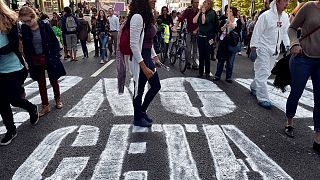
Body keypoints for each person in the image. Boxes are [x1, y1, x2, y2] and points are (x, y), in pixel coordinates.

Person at [0, 0, 39, 146]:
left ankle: (32, 108)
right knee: (1, 102)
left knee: (14, 99)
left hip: (13, 68)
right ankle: (11, 130)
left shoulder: (9, 20)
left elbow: (13, 44)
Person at [285, 1, 320, 151]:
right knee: (296, 92)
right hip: (302, 57)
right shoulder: (309, 7)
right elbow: (292, 28)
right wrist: (294, 43)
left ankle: (318, 136)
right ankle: (289, 121)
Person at [19, 6, 66, 117]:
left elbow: (54, 41)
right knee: (41, 83)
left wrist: (55, 55)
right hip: (35, 59)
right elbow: (25, 46)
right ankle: (45, 106)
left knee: (54, 79)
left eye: (28, 20)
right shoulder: (25, 29)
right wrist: (27, 60)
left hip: (48, 57)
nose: (27, 23)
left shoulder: (44, 26)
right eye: (23, 21)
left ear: (33, 17)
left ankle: (58, 99)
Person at [249, 0, 290, 109]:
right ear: (277, 2)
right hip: (263, 48)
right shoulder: (266, 16)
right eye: (285, 1)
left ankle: (254, 87)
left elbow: (285, 32)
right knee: (263, 71)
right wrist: (253, 47)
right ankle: (263, 98)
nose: (287, 4)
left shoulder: (285, 17)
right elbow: (257, 31)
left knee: (266, 72)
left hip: (274, 50)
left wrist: (288, 45)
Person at [127, 0, 161, 127]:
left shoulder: (146, 16)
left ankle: (142, 111)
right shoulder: (137, 17)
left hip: (147, 57)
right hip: (139, 59)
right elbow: (134, 44)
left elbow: (147, 40)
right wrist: (144, 67)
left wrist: (155, 57)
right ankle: (137, 118)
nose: (155, 0)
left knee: (156, 86)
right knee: (139, 90)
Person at [213, 6, 241, 83]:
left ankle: (228, 77)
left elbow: (239, 31)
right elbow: (219, 30)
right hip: (223, 41)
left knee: (230, 60)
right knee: (221, 59)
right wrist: (225, 25)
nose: (228, 12)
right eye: (227, 11)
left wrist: (232, 26)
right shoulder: (224, 21)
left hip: (232, 42)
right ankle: (217, 75)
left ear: (233, 13)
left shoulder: (237, 21)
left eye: (230, 11)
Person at [193, 0, 219, 78]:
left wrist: (203, 13)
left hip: (209, 37)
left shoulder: (212, 13)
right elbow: (194, 21)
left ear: (209, 5)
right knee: (201, 54)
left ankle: (207, 72)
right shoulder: (201, 12)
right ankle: (201, 72)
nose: (203, 5)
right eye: (203, 3)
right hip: (200, 36)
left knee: (207, 54)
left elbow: (204, 22)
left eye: (205, 4)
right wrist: (199, 12)